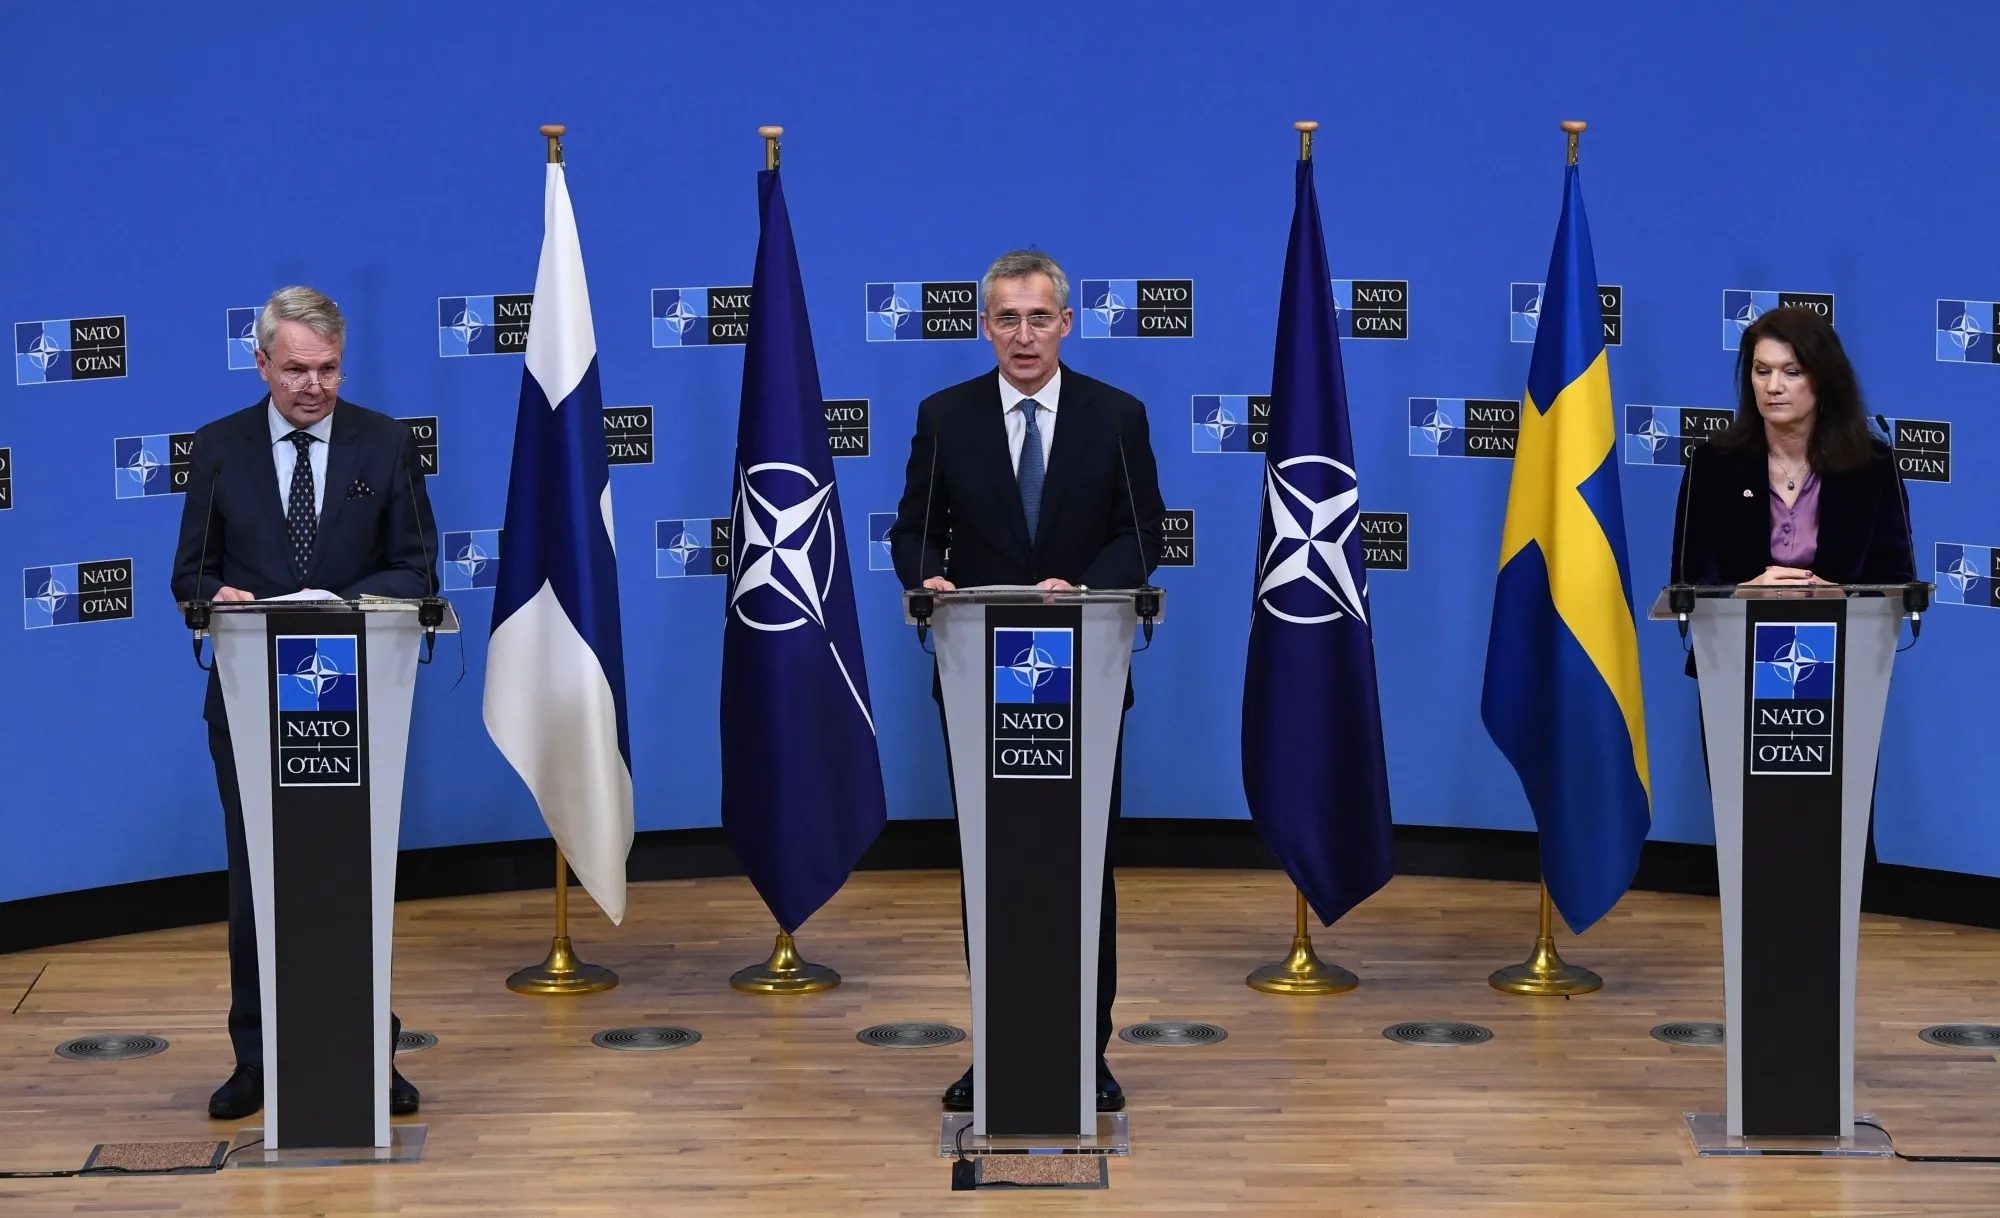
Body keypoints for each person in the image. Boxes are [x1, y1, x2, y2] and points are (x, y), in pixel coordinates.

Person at [889, 249, 1164, 1115]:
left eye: (1039, 317)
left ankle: (1089, 1053)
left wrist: (1084, 588)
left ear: (1066, 324)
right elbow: (913, 531)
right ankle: (998, 1051)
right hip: (982, 681)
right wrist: (928, 575)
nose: (1023, 335)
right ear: (985, 326)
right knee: (993, 866)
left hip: (1088, 674)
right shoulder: (946, 416)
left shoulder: (1116, 416)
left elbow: (1142, 533)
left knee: (1085, 866)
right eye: (1006, 318)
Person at [171, 286, 436, 1120]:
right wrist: (219, 597)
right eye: (295, 370)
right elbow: (190, 575)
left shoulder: (384, 443)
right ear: (261, 364)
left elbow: (417, 568)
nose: (313, 386)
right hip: (251, 702)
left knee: (354, 875)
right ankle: (256, 1060)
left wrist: (333, 605)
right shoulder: (219, 448)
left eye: (327, 369)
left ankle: (368, 1053)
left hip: (356, 698)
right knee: (258, 881)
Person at [1672, 306, 1915, 592]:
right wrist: (1742, 594)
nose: (1773, 387)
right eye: (1762, 371)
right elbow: (1688, 588)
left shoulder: (1873, 465)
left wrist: (1839, 596)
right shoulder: (1712, 465)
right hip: (1738, 621)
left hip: (1842, 621)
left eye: (1792, 372)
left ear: (1824, 379)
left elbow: (1896, 584)